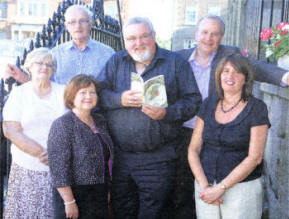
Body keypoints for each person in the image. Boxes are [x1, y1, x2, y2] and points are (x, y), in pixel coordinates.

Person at [175, 14, 289, 219]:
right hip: (183, 134)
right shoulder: (178, 58)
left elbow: (255, 67)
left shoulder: (229, 55)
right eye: (205, 33)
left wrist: (283, 76)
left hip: (222, 132)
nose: (209, 38)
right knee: (182, 195)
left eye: (215, 34)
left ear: (222, 37)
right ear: (196, 34)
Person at [98, 17, 201, 219]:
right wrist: (120, 99)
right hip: (122, 158)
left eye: (144, 36)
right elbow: (98, 94)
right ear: (125, 41)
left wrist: (167, 112)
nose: (138, 43)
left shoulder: (175, 63)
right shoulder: (116, 61)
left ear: (153, 36)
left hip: (158, 157)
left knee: (154, 212)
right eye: (131, 38)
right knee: (122, 210)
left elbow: (193, 101)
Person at [188, 53, 270, 219]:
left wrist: (220, 188)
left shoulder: (257, 108)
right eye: (225, 71)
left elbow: (255, 157)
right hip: (205, 187)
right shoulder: (208, 104)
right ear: (219, 75)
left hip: (241, 190)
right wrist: (205, 187)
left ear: (246, 78)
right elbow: (193, 149)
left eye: (237, 72)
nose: (230, 76)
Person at [2, 47, 67, 218]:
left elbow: (73, 128)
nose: (44, 67)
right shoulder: (19, 94)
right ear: (29, 66)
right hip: (26, 169)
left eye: (49, 64)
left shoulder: (63, 92)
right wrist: (43, 153)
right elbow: (10, 130)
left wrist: (56, 154)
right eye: (40, 63)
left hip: (57, 170)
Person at [47, 74, 113, 219]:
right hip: (74, 195)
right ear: (72, 96)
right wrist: (69, 202)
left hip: (98, 194)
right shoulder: (63, 124)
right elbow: (59, 169)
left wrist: (107, 190)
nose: (88, 96)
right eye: (82, 92)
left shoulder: (100, 121)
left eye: (92, 92)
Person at [5, 4, 114, 85]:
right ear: (66, 26)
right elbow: (42, 86)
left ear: (91, 23)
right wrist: (20, 76)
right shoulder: (55, 54)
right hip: (61, 112)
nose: (78, 26)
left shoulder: (107, 53)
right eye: (72, 22)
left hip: (96, 113)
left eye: (83, 21)